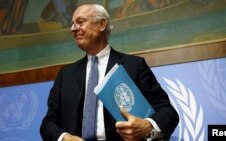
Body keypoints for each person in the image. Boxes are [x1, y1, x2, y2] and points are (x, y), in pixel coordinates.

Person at [40, 4, 179, 141]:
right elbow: (48, 124)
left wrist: (147, 127)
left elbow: (168, 112)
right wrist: (66, 138)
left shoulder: (134, 66)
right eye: (72, 24)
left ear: (102, 24)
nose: (72, 29)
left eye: (80, 22)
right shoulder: (65, 75)